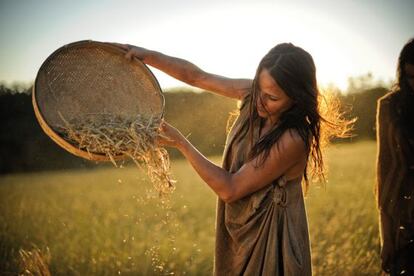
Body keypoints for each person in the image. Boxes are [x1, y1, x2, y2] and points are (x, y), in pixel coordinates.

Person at [112, 42, 349, 275]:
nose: (258, 102)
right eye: (258, 90)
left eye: (271, 98)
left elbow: (231, 188)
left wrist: (181, 143)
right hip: (238, 234)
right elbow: (196, 77)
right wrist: (148, 55)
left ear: (296, 98)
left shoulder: (294, 138)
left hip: (273, 239)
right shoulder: (252, 94)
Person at [376, 38, 414, 275]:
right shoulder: (389, 106)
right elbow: (385, 169)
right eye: (411, 78)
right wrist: (386, 237)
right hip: (404, 214)